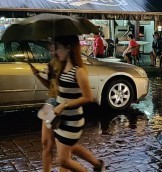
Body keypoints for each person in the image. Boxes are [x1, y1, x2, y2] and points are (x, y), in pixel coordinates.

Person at [31, 38, 105, 172]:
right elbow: (52, 87)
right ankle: (96, 164)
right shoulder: (54, 63)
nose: (52, 48)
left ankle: (95, 163)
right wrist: (38, 75)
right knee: (46, 144)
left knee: (66, 149)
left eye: (55, 46)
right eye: (52, 46)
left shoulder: (70, 67)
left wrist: (64, 105)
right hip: (51, 104)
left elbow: (85, 96)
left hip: (63, 108)